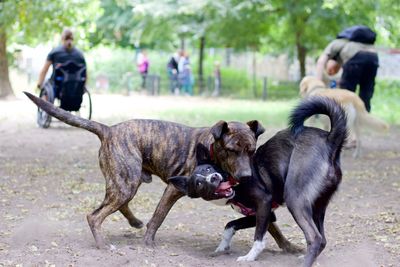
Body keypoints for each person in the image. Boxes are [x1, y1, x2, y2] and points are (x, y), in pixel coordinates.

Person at [316, 26, 379, 112]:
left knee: (345, 95)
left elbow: (320, 62)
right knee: (366, 94)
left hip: (356, 58)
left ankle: (344, 121)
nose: (331, 72)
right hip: (373, 57)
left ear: (331, 59)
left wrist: (318, 84)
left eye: (329, 71)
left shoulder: (335, 43)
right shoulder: (351, 46)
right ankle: (364, 119)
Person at [37, 29, 86, 98]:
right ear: (73, 39)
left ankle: (45, 103)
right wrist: (84, 86)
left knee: (47, 86)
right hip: (76, 86)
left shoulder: (55, 52)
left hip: (58, 87)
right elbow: (85, 73)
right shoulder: (80, 54)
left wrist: (39, 84)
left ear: (62, 39)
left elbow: (45, 69)